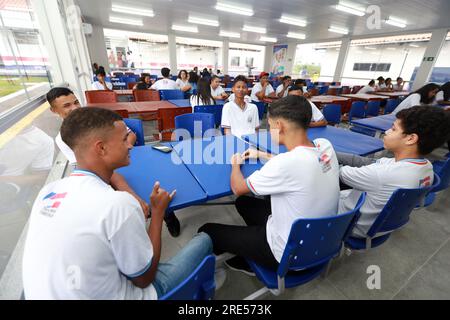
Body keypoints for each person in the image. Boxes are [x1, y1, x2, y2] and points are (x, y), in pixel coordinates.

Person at [22, 107, 213, 299]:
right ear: (101, 148)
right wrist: (157, 212)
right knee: (206, 237)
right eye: (124, 139)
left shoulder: (47, 192)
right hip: (139, 290)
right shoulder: (118, 204)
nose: (130, 145)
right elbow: (144, 278)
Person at [199, 95, 340, 273]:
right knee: (244, 203)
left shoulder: (284, 164)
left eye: (271, 125)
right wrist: (263, 154)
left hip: (287, 256)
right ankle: (251, 252)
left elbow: (238, 188)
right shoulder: (325, 147)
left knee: (208, 230)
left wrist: (235, 165)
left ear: (280, 126)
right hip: (320, 243)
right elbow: (301, 161)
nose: (270, 130)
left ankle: (255, 258)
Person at [338, 106, 450, 238]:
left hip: (353, 226)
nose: (387, 131)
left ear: (411, 138)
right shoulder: (426, 167)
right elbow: (366, 163)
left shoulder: (382, 174)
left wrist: (320, 154)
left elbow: (335, 171)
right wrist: (333, 154)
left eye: (394, 129)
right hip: (380, 226)